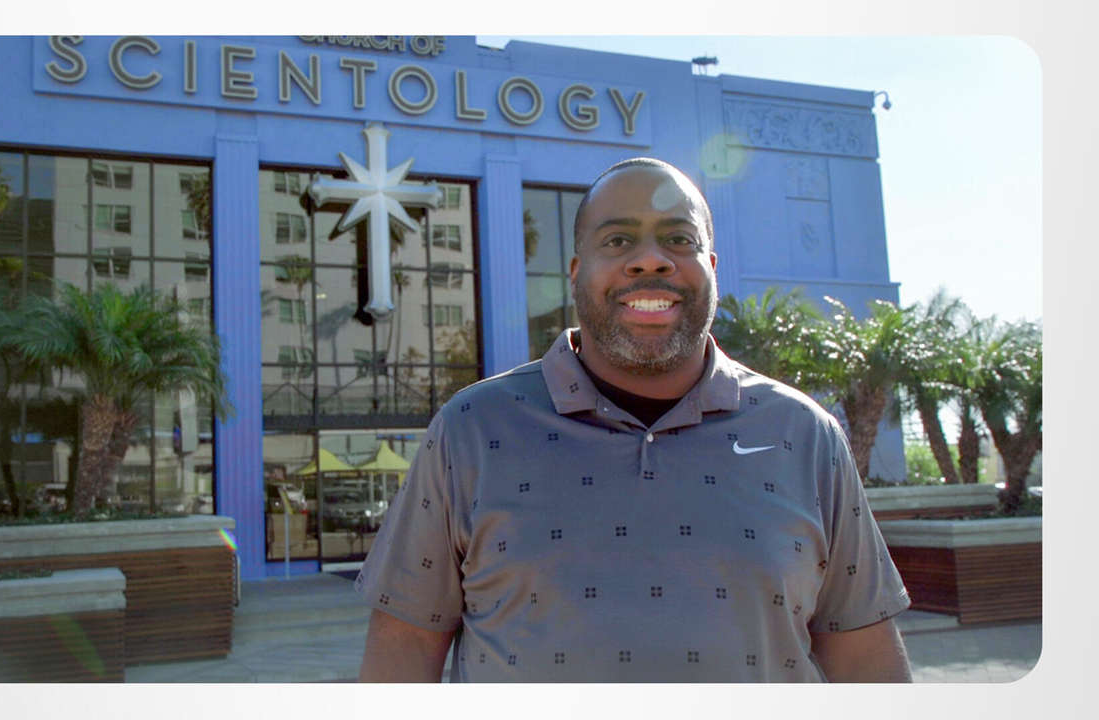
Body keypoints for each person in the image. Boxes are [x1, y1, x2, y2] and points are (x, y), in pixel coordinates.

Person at [354, 158, 913, 682]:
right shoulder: (471, 429)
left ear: (712, 268)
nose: (650, 260)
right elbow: (404, 647)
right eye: (618, 240)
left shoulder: (806, 436)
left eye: (680, 239)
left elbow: (865, 656)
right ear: (577, 272)